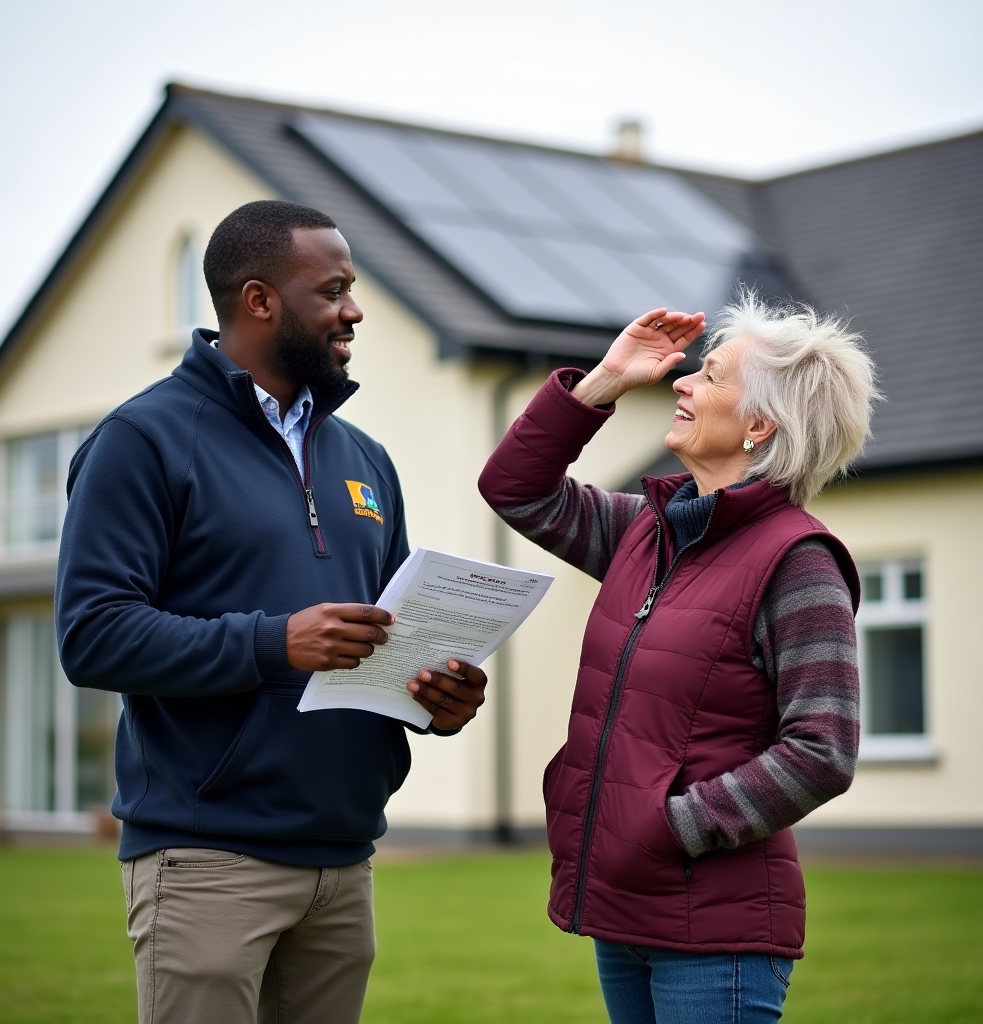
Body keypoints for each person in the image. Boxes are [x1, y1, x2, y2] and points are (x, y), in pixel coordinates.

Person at [56, 200, 486, 1024]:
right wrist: (275, 643)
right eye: (333, 291)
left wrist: (439, 698)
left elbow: (392, 628)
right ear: (259, 300)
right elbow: (93, 635)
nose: (354, 310)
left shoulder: (365, 458)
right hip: (207, 859)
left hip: (344, 861)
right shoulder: (142, 440)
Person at [478, 295, 878, 1024]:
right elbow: (513, 488)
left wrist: (671, 826)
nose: (683, 383)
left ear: (760, 426)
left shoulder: (798, 563)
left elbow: (823, 748)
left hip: (716, 928)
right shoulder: (644, 533)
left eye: (712, 376)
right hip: (625, 909)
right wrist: (601, 381)